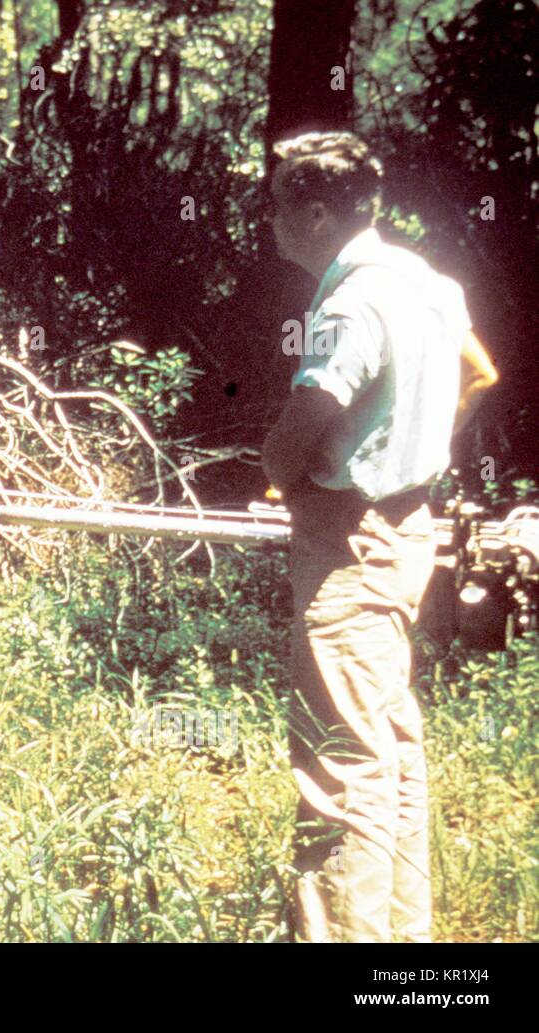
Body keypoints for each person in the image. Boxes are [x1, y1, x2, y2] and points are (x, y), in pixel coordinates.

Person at [259, 130, 499, 943]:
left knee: (340, 763)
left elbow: (312, 410)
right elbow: (478, 373)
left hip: (350, 541)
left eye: (278, 204)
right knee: (390, 749)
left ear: (316, 211)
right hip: (410, 529)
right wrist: (414, 440)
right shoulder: (429, 284)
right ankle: (405, 960)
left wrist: (278, 470)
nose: (270, 221)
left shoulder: (353, 298)